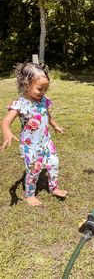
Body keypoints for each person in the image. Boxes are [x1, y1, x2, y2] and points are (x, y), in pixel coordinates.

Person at [1, 62, 67, 206]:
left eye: (45, 88)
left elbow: (47, 115)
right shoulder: (21, 104)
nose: (43, 92)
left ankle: (54, 187)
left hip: (46, 141)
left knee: (54, 163)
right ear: (26, 84)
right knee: (34, 170)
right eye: (39, 88)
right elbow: (5, 121)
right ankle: (29, 195)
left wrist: (55, 125)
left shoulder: (43, 100)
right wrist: (7, 133)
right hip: (31, 146)